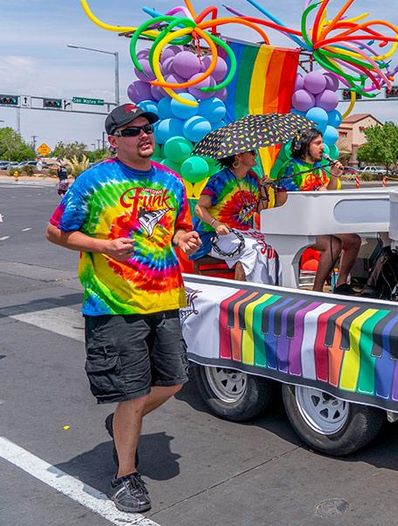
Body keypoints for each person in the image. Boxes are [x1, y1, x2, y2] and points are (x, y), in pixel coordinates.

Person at [45, 103, 201, 513]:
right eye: (132, 131)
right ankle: (124, 477)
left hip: (165, 298)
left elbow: (181, 225)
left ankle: (119, 427)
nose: (144, 135)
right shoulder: (95, 181)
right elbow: (57, 230)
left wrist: (184, 238)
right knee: (131, 394)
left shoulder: (171, 181)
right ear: (114, 140)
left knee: (174, 382)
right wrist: (102, 245)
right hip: (114, 305)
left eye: (148, 128)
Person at [278, 127, 360, 293]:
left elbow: (327, 195)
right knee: (333, 244)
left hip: (319, 220)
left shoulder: (320, 168)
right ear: (305, 145)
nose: (323, 147)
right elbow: (282, 203)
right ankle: (317, 290)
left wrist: (334, 176)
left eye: (322, 142)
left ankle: (341, 284)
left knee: (353, 240)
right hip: (297, 222)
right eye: (317, 143)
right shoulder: (291, 168)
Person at [190, 149, 287, 284]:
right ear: (239, 156)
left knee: (277, 244)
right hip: (213, 236)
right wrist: (216, 224)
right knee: (253, 249)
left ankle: (273, 292)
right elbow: (198, 208)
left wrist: (264, 190)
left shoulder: (252, 178)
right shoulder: (219, 180)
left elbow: (260, 210)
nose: (256, 155)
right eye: (252, 152)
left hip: (243, 233)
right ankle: (249, 294)